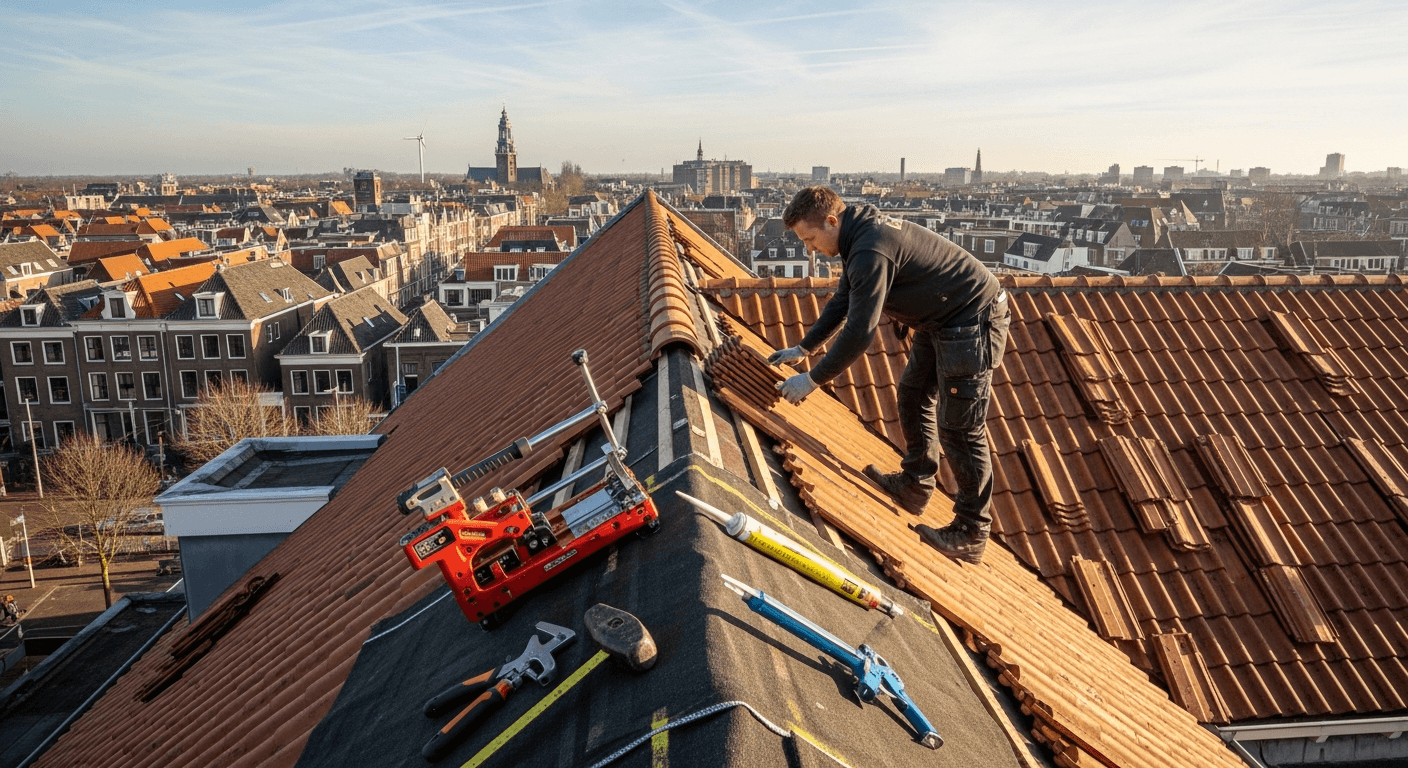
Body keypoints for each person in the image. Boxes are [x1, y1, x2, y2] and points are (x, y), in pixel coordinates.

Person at [770, 186, 1010, 565]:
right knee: (913, 394)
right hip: (943, 320)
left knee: (960, 427)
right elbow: (844, 301)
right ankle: (915, 484)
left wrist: (812, 380)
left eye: (811, 239)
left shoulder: (870, 248)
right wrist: (804, 348)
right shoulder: (857, 236)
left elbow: (860, 331)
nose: (809, 250)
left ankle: (971, 530)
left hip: (972, 321)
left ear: (832, 222)